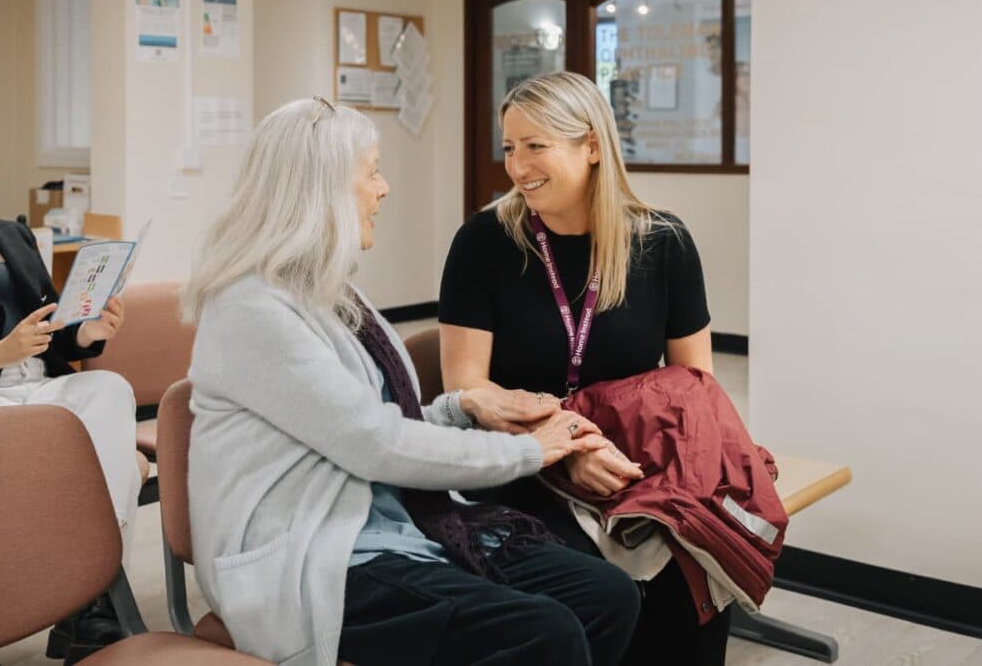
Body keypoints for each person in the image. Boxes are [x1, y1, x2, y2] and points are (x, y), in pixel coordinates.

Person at [181, 97, 642, 666]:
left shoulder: (329, 292)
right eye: (371, 171)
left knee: (607, 595)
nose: (384, 188)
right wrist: (526, 450)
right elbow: (375, 444)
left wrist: (465, 409)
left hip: (387, 525)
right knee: (541, 633)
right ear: (320, 190)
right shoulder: (252, 309)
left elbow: (373, 423)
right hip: (318, 555)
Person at [438, 72, 731, 666]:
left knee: (695, 563)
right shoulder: (484, 242)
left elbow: (695, 386)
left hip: (630, 459)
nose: (517, 166)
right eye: (509, 147)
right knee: (600, 581)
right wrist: (568, 445)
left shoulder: (663, 242)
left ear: (591, 146)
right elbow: (467, 387)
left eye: (535, 145)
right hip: (521, 465)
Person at [0, 130, 138, 665]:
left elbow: (58, 325)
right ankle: (90, 601)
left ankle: (94, 575)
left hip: (41, 387)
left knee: (110, 388)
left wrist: (86, 334)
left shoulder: (14, 235)